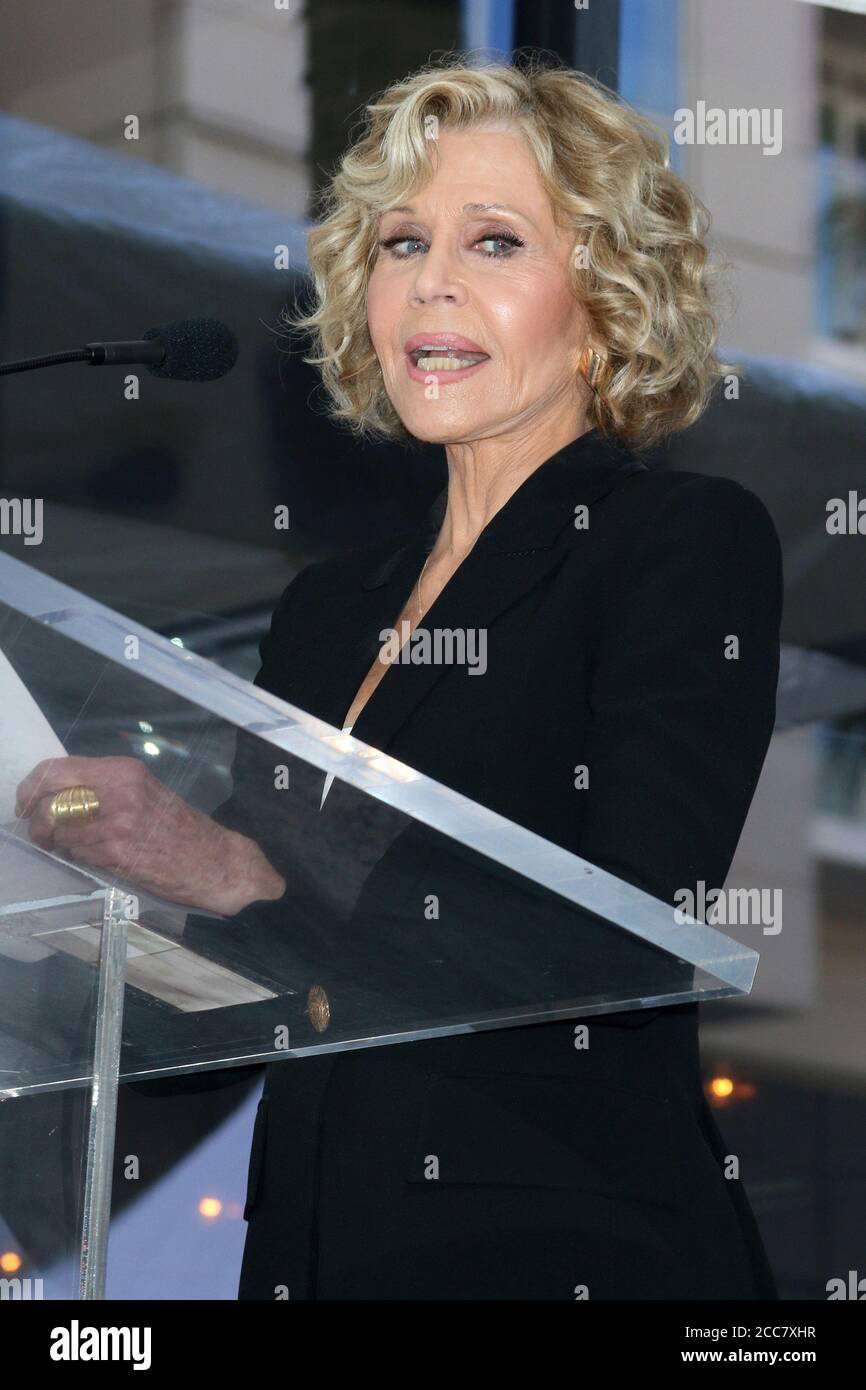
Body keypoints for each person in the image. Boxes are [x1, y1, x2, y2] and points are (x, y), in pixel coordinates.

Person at [17, 56, 782, 1299]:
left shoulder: (680, 541)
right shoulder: (329, 610)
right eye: (399, 242)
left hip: (557, 1245)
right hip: (314, 1247)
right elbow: (280, 986)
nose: (429, 281)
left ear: (603, 296)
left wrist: (224, 865)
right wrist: (88, 921)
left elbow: (632, 929)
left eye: (492, 242)